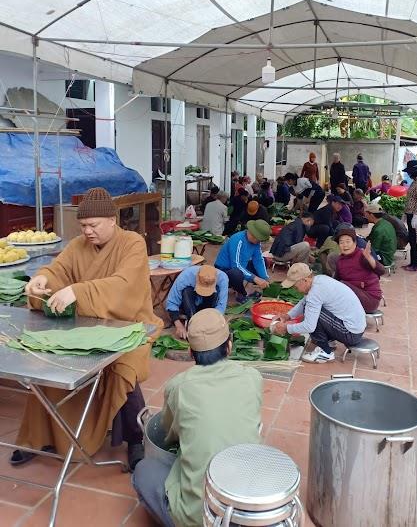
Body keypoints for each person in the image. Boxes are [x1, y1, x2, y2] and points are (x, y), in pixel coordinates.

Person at [13, 188, 163, 470]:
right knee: (48, 359)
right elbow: (57, 270)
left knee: (123, 368)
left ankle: (135, 439)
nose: (87, 231)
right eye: (83, 225)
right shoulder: (77, 245)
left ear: (112, 220)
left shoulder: (132, 243)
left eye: (93, 225)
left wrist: (77, 292)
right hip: (85, 325)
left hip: (130, 327)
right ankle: (39, 437)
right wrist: (41, 279)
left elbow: (125, 286)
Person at [132, 309, 262, 526]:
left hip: (201, 517)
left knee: (144, 471)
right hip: (247, 510)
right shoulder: (253, 377)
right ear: (229, 346)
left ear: (191, 353)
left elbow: (169, 435)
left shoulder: (179, 386)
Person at [272, 264, 366, 364]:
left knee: (312, 315)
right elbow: (305, 301)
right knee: (310, 309)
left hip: (351, 332)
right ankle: (329, 341)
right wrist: (288, 316)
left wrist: (286, 328)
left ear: (304, 280)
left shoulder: (315, 293)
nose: (295, 288)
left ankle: (325, 352)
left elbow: (309, 326)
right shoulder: (319, 280)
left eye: (295, 285)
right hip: (356, 326)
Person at [215, 219, 271, 303]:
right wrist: (255, 278)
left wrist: (265, 278)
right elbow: (236, 265)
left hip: (240, 267)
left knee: (264, 261)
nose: (259, 242)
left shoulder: (256, 243)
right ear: (253, 235)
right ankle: (241, 293)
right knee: (236, 273)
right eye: (259, 240)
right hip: (224, 270)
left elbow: (258, 260)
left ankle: (248, 289)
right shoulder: (237, 240)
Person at [166, 265, 229, 339]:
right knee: (187, 290)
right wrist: (178, 325)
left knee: (217, 291)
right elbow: (172, 302)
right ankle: (191, 320)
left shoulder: (223, 278)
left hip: (207, 305)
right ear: (197, 278)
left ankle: (206, 318)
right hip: (189, 304)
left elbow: (221, 305)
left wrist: (214, 321)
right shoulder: (186, 275)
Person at [333, 228, 385, 313]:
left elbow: (382, 271)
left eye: (348, 241)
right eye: (341, 242)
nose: (345, 245)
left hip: (369, 299)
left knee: (342, 284)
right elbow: (335, 281)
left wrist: (369, 258)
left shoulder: (362, 256)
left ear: (355, 243)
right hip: (352, 297)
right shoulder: (340, 260)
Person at [365, 199, 397, 266]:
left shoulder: (379, 230)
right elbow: (369, 238)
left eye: (366, 214)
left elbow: (374, 249)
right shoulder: (385, 223)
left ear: (371, 215)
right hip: (389, 255)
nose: (365, 216)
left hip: (384, 258)